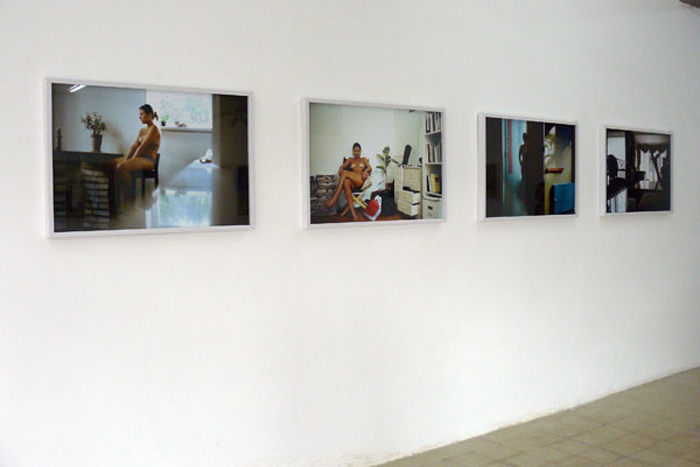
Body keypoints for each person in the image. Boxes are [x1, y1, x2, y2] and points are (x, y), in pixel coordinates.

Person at [113, 104, 161, 205]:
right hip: (139, 158)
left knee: (121, 167)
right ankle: (117, 197)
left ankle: (129, 197)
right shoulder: (142, 131)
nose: (140, 117)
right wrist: (126, 159)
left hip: (148, 160)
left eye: (142, 114)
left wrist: (131, 160)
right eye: (140, 114)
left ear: (149, 115)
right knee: (113, 163)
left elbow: (142, 147)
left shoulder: (154, 129)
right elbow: (134, 146)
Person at [324, 142, 372, 220]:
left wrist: (365, 171)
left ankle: (334, 199)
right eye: (355, 151)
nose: (357, 153)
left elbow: (370, 168)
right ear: (353, 151)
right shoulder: (350, 160)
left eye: (358, 151)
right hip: (353, 183)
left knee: (345, 173)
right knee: (346, 182)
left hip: (360, 181)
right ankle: (353, 214)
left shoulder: (363, 159)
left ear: (360, 151)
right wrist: (340, 170)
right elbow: (342, 167)